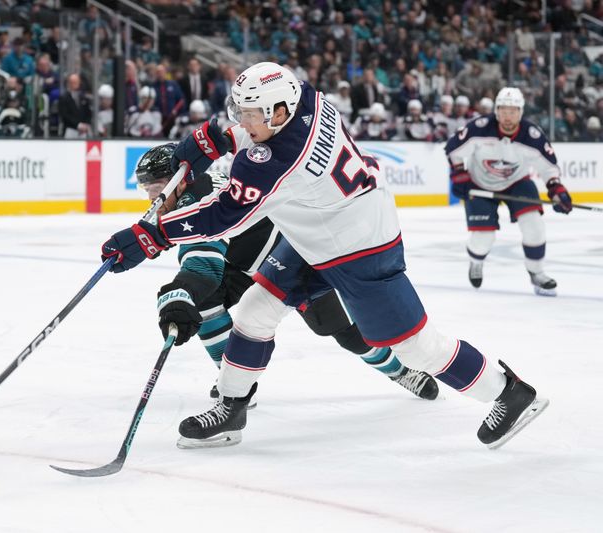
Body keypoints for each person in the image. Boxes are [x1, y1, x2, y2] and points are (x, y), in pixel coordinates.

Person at [99, 62, 549, 451]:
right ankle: (231, 410)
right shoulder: (307, 99)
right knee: (255, 312)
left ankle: (510, 393)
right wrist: (212, 138)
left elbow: (222, 218)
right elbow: (252, 132)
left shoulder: (274, 161)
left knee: (414, 345)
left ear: (277, 111)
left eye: (251, 114)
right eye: (242, 111)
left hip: (361, 248)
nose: (244, 120)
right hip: (321, 227)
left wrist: (150, 235)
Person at [136, 143, 438, 418]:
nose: (152, 198)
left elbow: (204, 263)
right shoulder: (195, 187)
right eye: (146, 189)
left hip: (291, 259)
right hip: (245, 262)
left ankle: (399, 371)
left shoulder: (193, 198)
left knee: (342, 331)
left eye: (158, 187)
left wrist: (179, 292)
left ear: (180, 179)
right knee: (205, 300)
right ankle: (235, 384)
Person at [445, 87, 571, 295]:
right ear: (496, 111)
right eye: (503, 110)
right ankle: (476, 261)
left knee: (534, 226)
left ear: (520, 112)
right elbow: (453, 149)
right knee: (482, 240)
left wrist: (556, 189)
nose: (508, 116)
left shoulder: (532, 135)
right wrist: (459, 174)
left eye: (513, 111)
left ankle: (536, 272)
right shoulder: (479, 128)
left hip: (517, 182)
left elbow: (548, 168)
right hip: (479, 184)